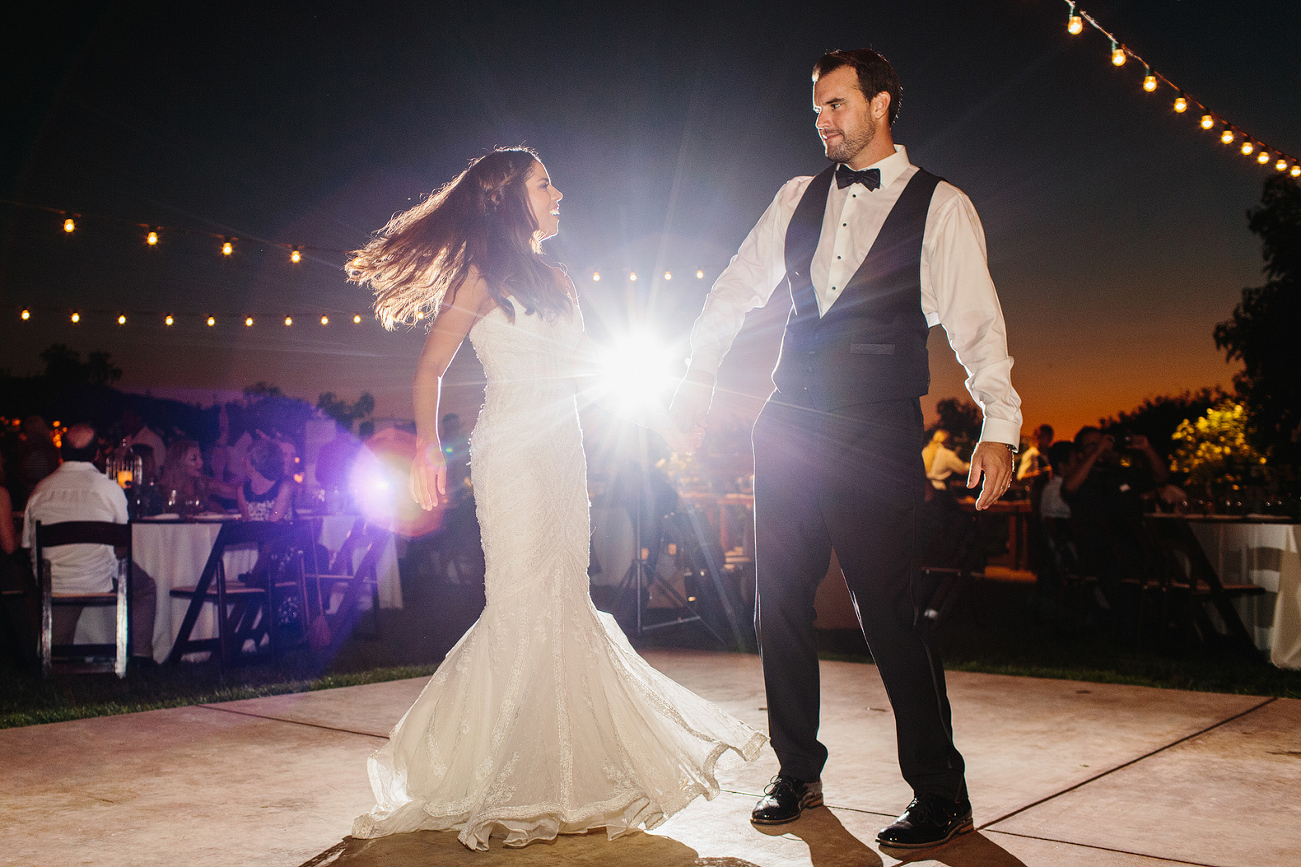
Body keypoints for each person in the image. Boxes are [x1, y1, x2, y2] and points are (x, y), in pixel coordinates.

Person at [344, 147, 763, 851]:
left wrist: (671, 415)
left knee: (564, 597)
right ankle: (489, 771)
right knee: (520, 599)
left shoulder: (562, 281)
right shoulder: (480, 278)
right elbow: (430, 367)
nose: (559, 192)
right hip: (509, 448)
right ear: (511, 199)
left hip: (563, 452)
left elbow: (589, 372)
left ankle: (563, 776)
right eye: (545, 184)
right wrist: (424, 447)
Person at [671, 49, 1021, 849]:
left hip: (874, 429)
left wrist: (999, 424)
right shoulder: (794, 198)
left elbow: (977, 327)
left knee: (886, 610)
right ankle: (797, 769)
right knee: (777, 605)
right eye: (816, 107)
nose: (822, 119)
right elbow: (732, 286)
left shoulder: (940, 206)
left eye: (835, 104)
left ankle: (939, 789)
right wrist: (695, 377)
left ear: (881, 104)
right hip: (787, 421)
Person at [20, 423, 155, 659]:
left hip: (53, 582)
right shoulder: (110, 489)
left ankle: (60, 656)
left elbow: (28, 546)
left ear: (62, 452)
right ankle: (140, 655)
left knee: (57, 641)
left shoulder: (40, 490)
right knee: (145, 587)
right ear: (95, 454)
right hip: (99, 579)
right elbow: (123, 544)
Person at [237, 438, 293, 522]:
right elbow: (246, 525)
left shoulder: (284, 487)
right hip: (253, 534)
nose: (242, 460)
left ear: (255, 462)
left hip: (279, 535)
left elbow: (274, 522)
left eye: (246, 457)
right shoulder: (242, 490)